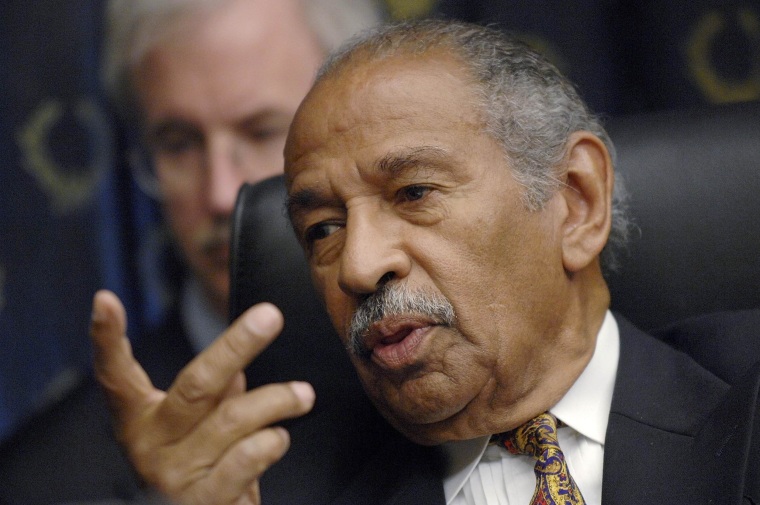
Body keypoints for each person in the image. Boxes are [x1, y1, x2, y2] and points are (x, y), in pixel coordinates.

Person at [90, 18, 760, 505]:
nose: (357, 264)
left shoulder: (744, 407)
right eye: (322, 228)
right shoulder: (272, 487)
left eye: (413, 193)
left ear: (576, 201)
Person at [0, 1, 387, 504]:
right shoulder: (47, 480)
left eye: (263, 131)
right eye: (178, 143)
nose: (222, 194)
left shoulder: (473, 386)